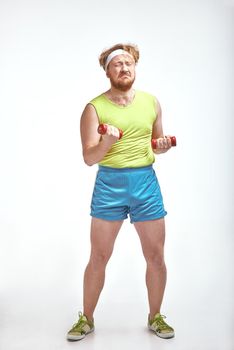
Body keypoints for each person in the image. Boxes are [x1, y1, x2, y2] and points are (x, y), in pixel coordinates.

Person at [67, 43, 175, 341]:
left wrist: (161, 146)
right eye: (117, 64)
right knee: (99, 256)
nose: (124, 68)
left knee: (155, 256)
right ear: (107, 71)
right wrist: (106, 142)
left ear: (135, 68)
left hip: (145, 184)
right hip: (109, 185)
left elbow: (155, 142)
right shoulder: (94, 108)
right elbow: (90, 158)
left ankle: (155, 317)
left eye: (129, 63)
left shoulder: (152, 102)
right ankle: (86, 319)